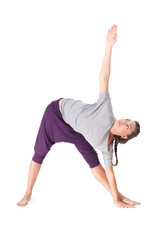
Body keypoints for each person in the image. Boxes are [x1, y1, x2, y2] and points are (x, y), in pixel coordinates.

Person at [17, 24, 141, 208]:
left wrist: (115, 198)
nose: (124, 121)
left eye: (127, 126)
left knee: (94, 163)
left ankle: (117, 196)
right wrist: (109, 46)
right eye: (128, 120)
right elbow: (103, 77)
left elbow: (109, 173)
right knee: (39, 153)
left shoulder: (106, 147)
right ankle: (28, 193)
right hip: (57, 115)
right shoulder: (107, 111)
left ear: (123, 136)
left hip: (78, 132)